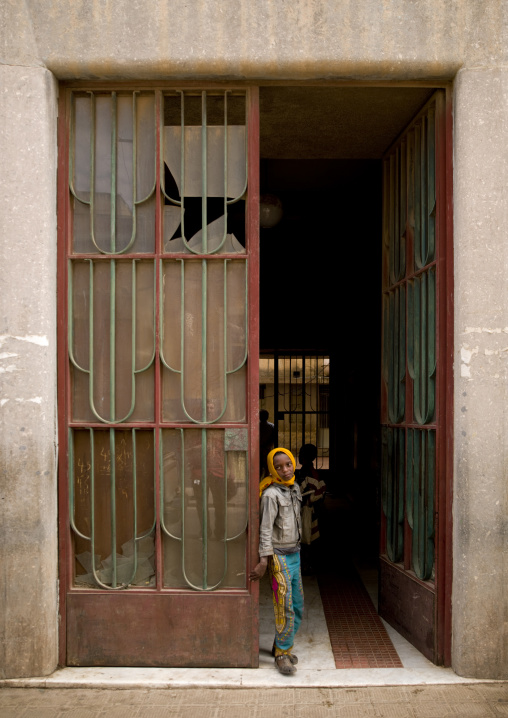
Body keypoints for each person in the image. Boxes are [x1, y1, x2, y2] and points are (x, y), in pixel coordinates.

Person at [249, 447, 303, 675]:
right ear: (272, 469)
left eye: (288, 464)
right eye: (278, 467)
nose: (285, 469)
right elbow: (265, 529)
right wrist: (264, 560)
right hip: (279, 558)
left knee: (298, 605)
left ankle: (281, 643)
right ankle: (282, 653)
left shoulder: (295, 488)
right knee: (285, 606)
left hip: (295, 554)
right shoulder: (271, 495)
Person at [296, 443, 326, 573]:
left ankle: (307, 565)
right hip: (308, 509)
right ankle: (307, 564)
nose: (298, 456)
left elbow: (315, 494)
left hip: (308, 509)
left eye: (301, 454)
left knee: (308, 537)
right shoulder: (309, 471)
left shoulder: (308, 473)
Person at [259, 409, 276, 479]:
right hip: (267, 449)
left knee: (259, 467)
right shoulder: (272, 426)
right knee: (267, 468)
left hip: (258, 449)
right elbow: (274, 438)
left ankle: (258, 483)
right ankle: (266, 483)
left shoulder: (256, 426)